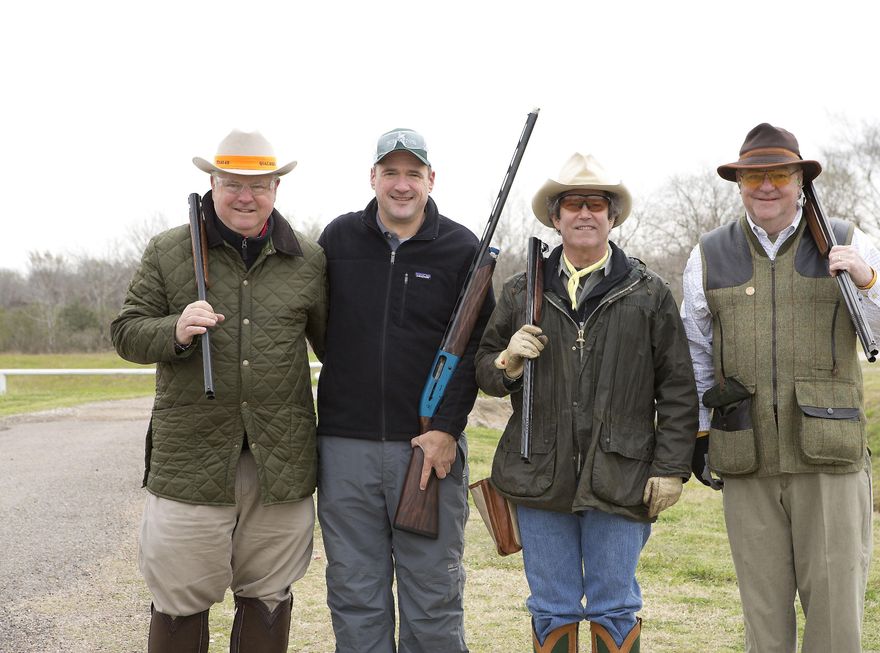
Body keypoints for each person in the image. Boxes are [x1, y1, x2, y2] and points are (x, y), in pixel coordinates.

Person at [681, 123, 880, 652]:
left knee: (835, 621)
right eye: (754, 175)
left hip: (829, 461)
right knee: (762, 622)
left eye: (780, 174)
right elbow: (695, 351)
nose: (767, 186)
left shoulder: (845, 240)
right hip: (746, 457)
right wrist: (700, 434)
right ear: (738, 182)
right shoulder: (709, 254)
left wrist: (865, 277)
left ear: (800, 180)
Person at [111, 129, 328, 652]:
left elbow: (337, 350)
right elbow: (125, 331)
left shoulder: (309, 260)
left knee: (270, 594)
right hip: (191, 458)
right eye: (233, 183)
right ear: (212, 182)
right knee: (179, 596)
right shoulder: (168, 251)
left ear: (276, 188)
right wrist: (174, 329)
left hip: (281, 460)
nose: (245, 196)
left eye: (259, 185)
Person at [475, 153, 699, 653]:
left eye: (596, 203)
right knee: (551, 609)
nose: (584, 213)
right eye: (572, 203)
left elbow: (679, 390)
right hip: (538, 475)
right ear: (555, 218)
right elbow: (484, 372)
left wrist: (670, 468)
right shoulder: (520, 291)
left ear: (612, 216)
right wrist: (507, 360)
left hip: (621, 476)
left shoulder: (649, 293)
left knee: (615, 610)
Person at [314, 128, 492, 653]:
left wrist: (444, 430)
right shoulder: (338, 240)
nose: (401, 184)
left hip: (429, 449)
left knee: (433, 595)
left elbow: (472, 351)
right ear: (373, 178)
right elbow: (321, 326)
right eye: (390, 172)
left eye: (412, 173)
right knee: (354, 592)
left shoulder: (464, 250)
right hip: (346, 447)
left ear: (430, 180)